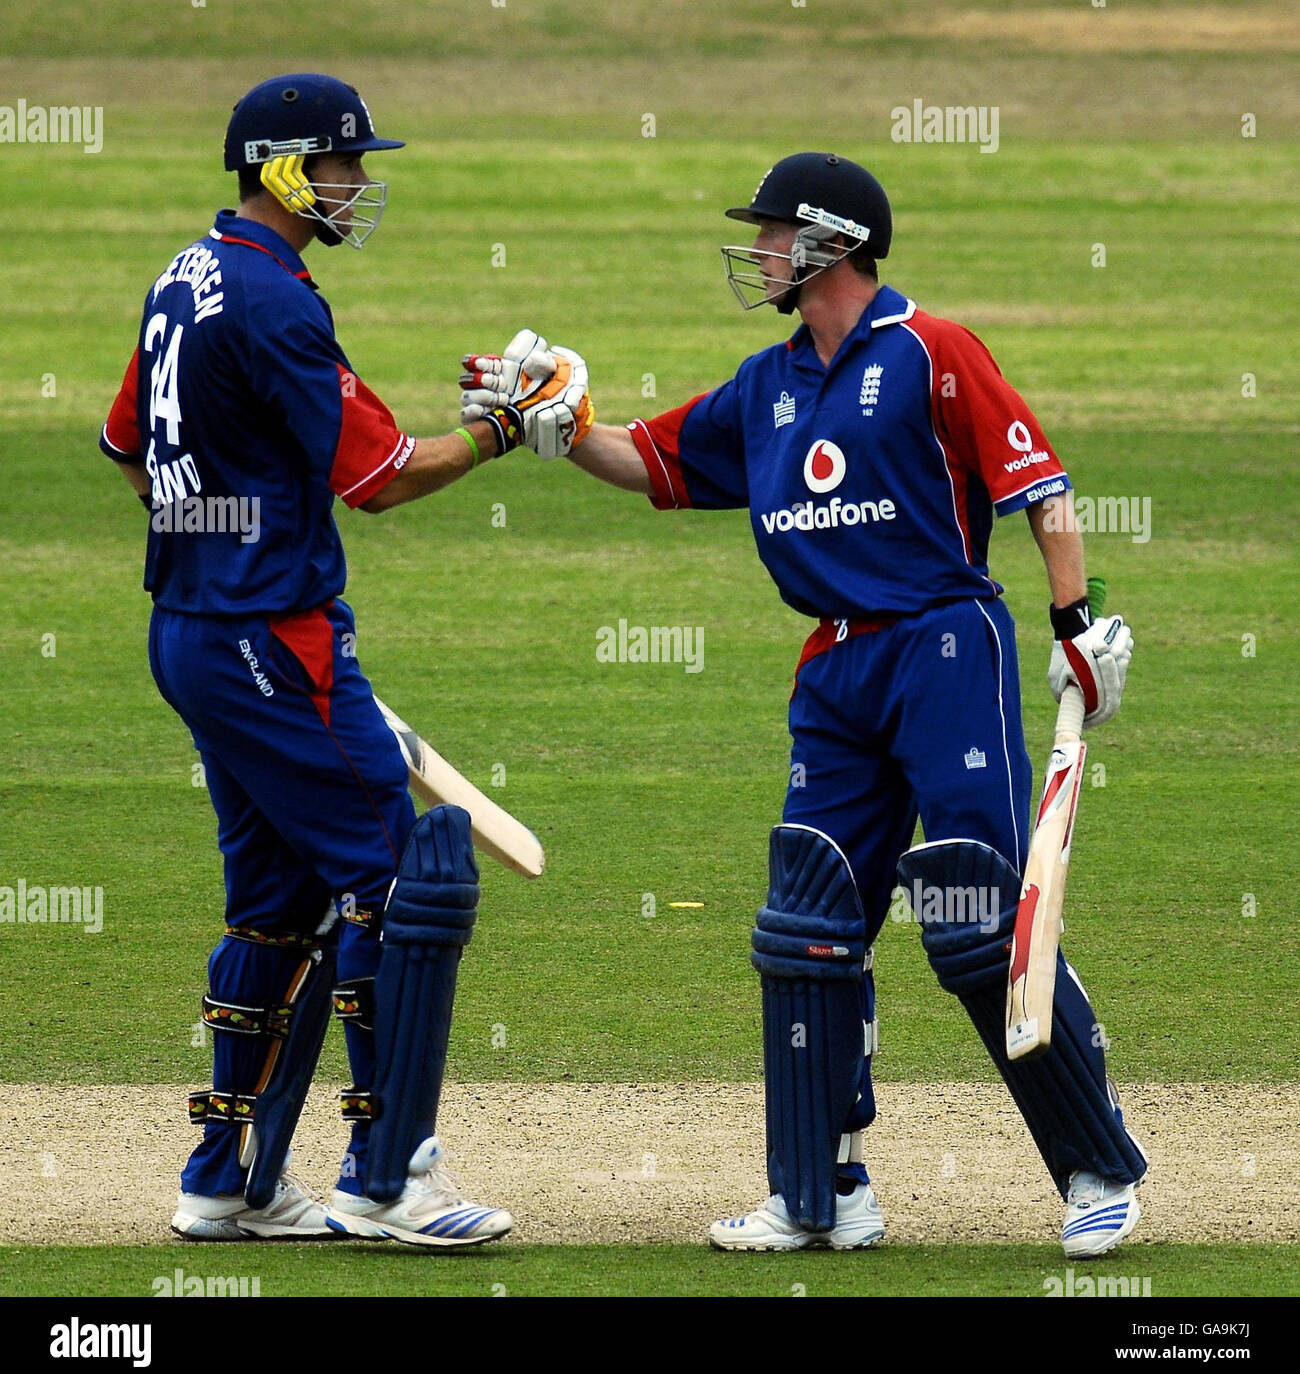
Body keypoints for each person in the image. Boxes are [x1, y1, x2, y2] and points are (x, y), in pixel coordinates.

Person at [460, 152, 1145, 1257]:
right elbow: (651, 459)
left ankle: (1094, 1168)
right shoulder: (767, 382)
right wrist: (556, 426)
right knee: (809, 921)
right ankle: (819, 1195)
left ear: (831, 241)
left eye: (774, 233)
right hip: (830, 666)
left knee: (973, 916)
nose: (759, 251)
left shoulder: (933, 351)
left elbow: (1040, 488)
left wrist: (1077, 630)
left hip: (942, 645)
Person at [99, 73, 588, 1247]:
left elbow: (128, 449)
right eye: (341, 166)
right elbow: (380, 480)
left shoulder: (183, 275)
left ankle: (229, 1177)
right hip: (277, 641)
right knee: (394, 885)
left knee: (277, 902)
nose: (358, 185)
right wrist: (507, 427)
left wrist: (220, 541)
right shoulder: (275, 301)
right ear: (280, 167)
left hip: (196, 634)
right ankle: (390, 1175)